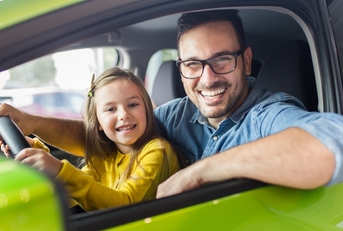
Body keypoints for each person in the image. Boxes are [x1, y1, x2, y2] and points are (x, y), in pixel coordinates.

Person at [1, 10, 343, 199]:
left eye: (222, 60)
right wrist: (28, 122)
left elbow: (331, 143)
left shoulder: (267, 115)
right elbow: (108, 136)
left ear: (247, 61)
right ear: (181, 68)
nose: (208, 79)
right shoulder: (178, 113)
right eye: (193, 64)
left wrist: (198, 173)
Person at [1, 67, 180, 211]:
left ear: (147, 111)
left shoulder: (157, 150)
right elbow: (73, 195)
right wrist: (39, 156)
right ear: (99, 123)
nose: (124, 114)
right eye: (110, 109)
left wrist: (58, 169)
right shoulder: (105, 157)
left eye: (133, 105)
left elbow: (124, 204)